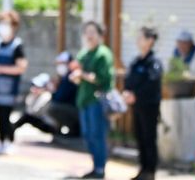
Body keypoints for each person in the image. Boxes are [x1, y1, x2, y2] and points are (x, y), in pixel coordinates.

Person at [71, 20, 114, 179]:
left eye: (92, 32)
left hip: (97, 100)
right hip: (84, 99)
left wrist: (82, 75)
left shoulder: (103, 54)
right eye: (87, 32)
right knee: (87, 135)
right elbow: (79, 76)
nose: (89, 35)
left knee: (98, 135)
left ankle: (100, 168)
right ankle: (95, 165)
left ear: (100, 35)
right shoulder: (83, 53)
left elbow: (102, 78)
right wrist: (76, 77)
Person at [123, 26, 163, 180]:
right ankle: (142, 168)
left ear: (150, 41)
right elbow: (129, 79)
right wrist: (127, 92)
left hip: (149, 106)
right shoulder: (136, 61)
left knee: (149, 137)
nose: (138, 41)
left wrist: (136, 94)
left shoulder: (154, 62)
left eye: (141, 37)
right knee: (139, 136)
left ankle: (150, 171)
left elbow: (152, 82)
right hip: (136, 106)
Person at [14, 51, 80, 139]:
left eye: (63, 63)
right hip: (61, 113)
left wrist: (51, 91)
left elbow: (60, 98)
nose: (35, 89)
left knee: (52, 107)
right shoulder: (63, 78)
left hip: (73, 113)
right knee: (29, 116)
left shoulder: (70, 78)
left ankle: (69, 130)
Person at [0, 9, 28, 155]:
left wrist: (2, 69)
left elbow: (21, 67)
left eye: (6, 23)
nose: (3, 26)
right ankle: (1, 141)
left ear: (14, 26)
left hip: (9, 89)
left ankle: (9, 141)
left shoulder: (17, 45)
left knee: (6, 116)